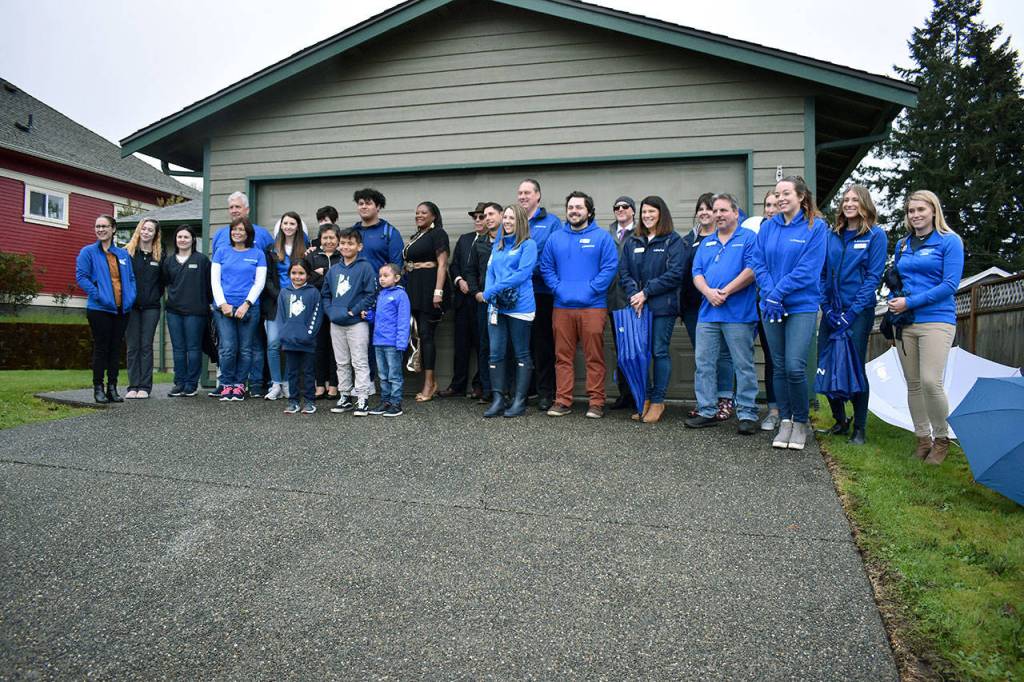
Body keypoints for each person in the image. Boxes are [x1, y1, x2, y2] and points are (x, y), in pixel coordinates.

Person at [750, 176, 828, 450]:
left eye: (786, 194)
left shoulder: (815, 227)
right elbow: (757, 262)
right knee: (779, 367)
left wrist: (777, 292)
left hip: (800, 306)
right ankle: (785, 420)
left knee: (795, 366)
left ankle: (801, 421)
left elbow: (809, 269)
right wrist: (770, 293)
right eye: (778, 194)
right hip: (770, 305)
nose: (781, 198)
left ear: (801, 197)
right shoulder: (768, 227)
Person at [888, 190, 965, 464]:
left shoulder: (949, 242)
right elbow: (897, 280)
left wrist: (910, 302)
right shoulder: (902, 245)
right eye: (911, 211)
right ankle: (922, 439)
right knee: (914, 384)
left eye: (921, 209)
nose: (916, 215)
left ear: (934, 211)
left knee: (932, 382)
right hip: (906, 323)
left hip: (937, 319)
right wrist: (894, 301)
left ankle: (942, 439)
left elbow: (949, 286)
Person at [684, 194, 761, 435]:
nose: (718, 215)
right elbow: (696, 272)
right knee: (704, 363)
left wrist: (725, 291)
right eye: (715, 211)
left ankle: (747, 414)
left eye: (723, 210)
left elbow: (752, 269)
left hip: (738, 314)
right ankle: (707, 410)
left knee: (743, 365)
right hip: (708, 313)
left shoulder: (748, 238)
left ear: (736, 213)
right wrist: (708, 292)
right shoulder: (706, 242)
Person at [817, 185, 886, 445]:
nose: (848, 203)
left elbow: (872, 277)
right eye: (845, 200)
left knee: (854, 368)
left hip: (858, 312)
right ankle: (840, 420)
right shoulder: (831, 235)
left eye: (854, 200)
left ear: (864, 204)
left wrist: (852, 312)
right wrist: (827, 308)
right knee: (825, 363)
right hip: (832, 312)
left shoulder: (875, 235)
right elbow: (822, 274)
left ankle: (859, 428)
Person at [540, 191, 619, 418]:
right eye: (571, 208)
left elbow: (610, 267)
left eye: (579, 208)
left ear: (589, 211)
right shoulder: (555, 238)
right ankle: (563, 400)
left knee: (594, 356)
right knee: (562, 357)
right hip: (562, 306)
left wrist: (591, 289)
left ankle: (596, 402)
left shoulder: (602, 237)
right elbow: (546, 267)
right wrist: (558, 289)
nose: (574, 211)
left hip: (592, 306)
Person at [618, 195, 684, 423]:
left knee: (658, 351)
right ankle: (643, 398)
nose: (647, 216)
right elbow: (624, 273)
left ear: (661, 214)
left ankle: (658, 401)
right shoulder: (633, 241)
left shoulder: (673, 241)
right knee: (639, 354)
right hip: (637, 307)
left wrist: (646, 292)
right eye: (644, 212)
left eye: (651, 212)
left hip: (661, 307)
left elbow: (675, 274)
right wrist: (634, 295)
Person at [209, 192, 274, 398]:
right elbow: (215, 280)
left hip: (249, 307)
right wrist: (222, 304)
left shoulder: (258, 251)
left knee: (247, 349)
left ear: (249, 232)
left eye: (242, 230)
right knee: (228, 348)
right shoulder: (221, 250)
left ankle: (242, 384)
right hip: (224, 308)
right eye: (234, 230)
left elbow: (260, 281)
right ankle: (226, 384)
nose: (237, 233)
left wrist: (247, 304)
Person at [680, 193, 735, 420]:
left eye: (709, 208)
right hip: (695, 307)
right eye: (700, 208)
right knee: (703, 357)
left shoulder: (723, 237)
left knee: (723, 355)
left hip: (722, 303)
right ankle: (707, 402)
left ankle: (725, 399)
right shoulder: (687, 240)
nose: (704, 212)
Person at [481, 204, 538, 418]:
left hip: (520, 307)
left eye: (511, 218)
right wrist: (490, 292)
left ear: (520, 221)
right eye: (505, 217)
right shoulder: (498, 245)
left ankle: (519, 401)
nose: (506, 221)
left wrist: (493, 289)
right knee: (495, 353)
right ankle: (498, 399)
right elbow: (490, 271)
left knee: (521, 352)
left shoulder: (528, 245)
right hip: (496, 307)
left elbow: (523, 274)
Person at [75, 214, 136, 403]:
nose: (100, 229)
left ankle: (112, 388)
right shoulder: (88, 252)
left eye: (104, 226)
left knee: (115, 349)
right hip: (99, 309)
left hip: (121, 310)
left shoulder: (123, 254)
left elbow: (131, 279)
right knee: (101, 348)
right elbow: (82, 277)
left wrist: (131, 297)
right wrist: (100, 295)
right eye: (97, 226)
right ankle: (98, 388)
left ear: (113, 229)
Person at [518, 178, 562, 411]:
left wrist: (524, 271)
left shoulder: (552, 223)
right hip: (518, 294)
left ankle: (546, 392)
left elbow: (551, 257)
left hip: (542, 293)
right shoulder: (513, 221)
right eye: (520, 193)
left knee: (544, 344)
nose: (522, 196)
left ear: (538, 196)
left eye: (527, 192)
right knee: (522, 344)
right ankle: (524, 390)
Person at [323, 227, 377, 417]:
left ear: (359, 246)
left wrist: (353, 311)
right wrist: (330, 312)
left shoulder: (365, 267)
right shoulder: (334, 270)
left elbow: (371, 293)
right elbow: (326, 295)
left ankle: (362, 397)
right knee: (341, 361)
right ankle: (345, 395)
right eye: (343, 243)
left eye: (350, 243)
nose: (346, 246)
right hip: (336, 323)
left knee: (360, 361)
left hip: (356, 323)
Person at [403, 201, 450, 402]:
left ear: (433, 216)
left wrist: (438, 291)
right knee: (417, 335)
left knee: (426, 334)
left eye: (423, 212)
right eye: (416, 212)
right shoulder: (416, 237)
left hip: (430, 288)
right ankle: (426, 379)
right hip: (414, 287)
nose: (419, 215)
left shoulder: (438, 234)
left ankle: (430, 384)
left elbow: (442, 264)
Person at [440, 203, 488, 399]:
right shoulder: (465, 239)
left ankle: (480, 385)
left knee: (482, 345)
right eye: (475, 217)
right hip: (462, 300)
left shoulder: (494, 241)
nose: (477, 220)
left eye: (481, 216)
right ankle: (457, 384)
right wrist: (459, 280)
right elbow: (455, 265)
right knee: (461, 345)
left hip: (481, 300)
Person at [261, 211, 308, 401]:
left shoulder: (305, 248)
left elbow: (307, 274)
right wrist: (281, 296)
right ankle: (275, 383)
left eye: (292, 224)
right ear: (280, 226)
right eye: (285, 223)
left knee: (289, 345)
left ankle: (288, 383)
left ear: (298, 227)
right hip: (275, 302)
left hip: (297, 303)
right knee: (273, 343)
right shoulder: (271, 249)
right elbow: (267, 279)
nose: (288, 227)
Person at [162, 225, 211, 397]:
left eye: (186, 237)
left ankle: (191, 384)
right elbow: (167, 283)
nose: (182, 240)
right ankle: (179, 383)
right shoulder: (168, 262)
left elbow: (209, 286)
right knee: (178, 349)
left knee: (193, 348)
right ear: (176, 240)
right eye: (179, 237)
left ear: (193, 240)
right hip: (174, 311)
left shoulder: (202, 260)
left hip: (196, 312)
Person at [748, 191, 781, 430]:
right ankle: (774, 410)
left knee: (788, 361)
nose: (770, 209)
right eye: (767, 205)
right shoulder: (755, 230)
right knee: (770, 358)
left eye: (775, 205)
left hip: (787, 302)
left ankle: (791, 411)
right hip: (759, 303)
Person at [464, 202, 501, 404]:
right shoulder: (479, 243)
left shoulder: (510, 240)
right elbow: (470, 271)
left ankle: (506, 390)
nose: (487, 218)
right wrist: (476, 292)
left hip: (506, 302)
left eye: (491, 214)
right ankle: (488, 390)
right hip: (484, 302)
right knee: (485, 345)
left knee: (505, 347)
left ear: (502, 215)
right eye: (484, 215)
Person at [276, 260, 322, 415]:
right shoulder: (284, 292)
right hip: (289, 341)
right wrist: (283, 334)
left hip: (307, 342)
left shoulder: (313, 292)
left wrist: (308, 335)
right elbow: (281, 316)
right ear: (289, 274)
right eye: (294, 273)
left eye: (301, 273)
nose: (297, 276)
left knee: (308, 372)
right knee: (292, 372)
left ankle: (309, 401)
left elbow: (316, 316)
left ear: (308, 275)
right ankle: (293, 401)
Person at [124, 218, 163, 399]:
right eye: (144, 229)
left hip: (151, 308)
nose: (147, 232)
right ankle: (133, 385)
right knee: (133, 346)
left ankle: (145, 387)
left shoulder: (160, 256)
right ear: (139, 230)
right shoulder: (127, 253)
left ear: (156, 234)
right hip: (131, 307)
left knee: (146, 346)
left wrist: (154, 296)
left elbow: (163, 283)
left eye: (151, 230)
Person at [304, 223, 343, 399]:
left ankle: (334, 384)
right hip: (316, 307)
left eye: (332, 238)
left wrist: (323, 272)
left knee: (335, 347)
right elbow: (307, 279)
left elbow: (341, 279)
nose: (328, 241)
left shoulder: (342, 255)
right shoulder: (312, 256)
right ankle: (320, 384)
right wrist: (320, 276)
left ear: (338, 240)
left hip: (336, 306)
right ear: (320, 240)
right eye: (325, 238)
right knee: (319, 346)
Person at [606, 196, 636, 410]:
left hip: (634, 300)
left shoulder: (641, 233)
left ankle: (640, 393)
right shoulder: (608, 234)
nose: (621, 210)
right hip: (613, 300)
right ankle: (625, 394)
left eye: (625, 206)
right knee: (621, 350)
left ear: (633, 211)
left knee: (637, 349)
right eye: (617, 207)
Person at [370, 263, 411, 417]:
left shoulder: (401, 295)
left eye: (386, 276)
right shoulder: (381, 295)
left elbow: (403, 320)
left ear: (397, 278)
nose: (382, 279)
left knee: (394, 375)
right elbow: (380, 317)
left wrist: (401, 342)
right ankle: (385, 401)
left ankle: (396, 403)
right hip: (378, 341)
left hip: (393, 343)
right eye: (380, 276)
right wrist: (370, 317)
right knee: (382, 374)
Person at [352, 188, 404, 274]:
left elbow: (397, 267)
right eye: (361, 204)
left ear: (378, 207)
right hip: (354, 285)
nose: (364, 206)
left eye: (368, 203)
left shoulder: (390, 233)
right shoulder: (352, 232)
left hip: (380, 286)